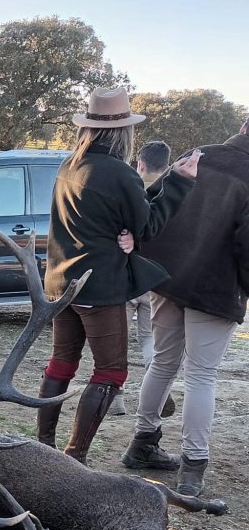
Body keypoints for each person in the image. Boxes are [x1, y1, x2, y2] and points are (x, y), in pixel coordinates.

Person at [36, 87, 200, 465]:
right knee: (111, 372)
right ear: (123, 131)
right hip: (100, 285)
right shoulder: (120, 172)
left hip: (62, 284)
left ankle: (43, 446)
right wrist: (179, 182)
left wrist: (126, 232)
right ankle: (75, 457)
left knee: (61, 364)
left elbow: (122, 220)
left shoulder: (69, 165)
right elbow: (147, 225)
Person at [120, 117, 249, 495]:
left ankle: (141, 443)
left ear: (242, 127)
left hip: (168, 277)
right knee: (201, 375)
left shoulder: (200, 155)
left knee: (163, 361)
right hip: (214, 287)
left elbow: (155, 204)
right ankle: (192, 467)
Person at [109, 140, 175, 416]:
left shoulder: (130, 187)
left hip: (125, 275)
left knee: (118, 341)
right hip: (156, 278)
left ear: (141, 163)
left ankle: (116, 400)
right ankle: (158, 390)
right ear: (167, 165)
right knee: (151, 339)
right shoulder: (174, 191)